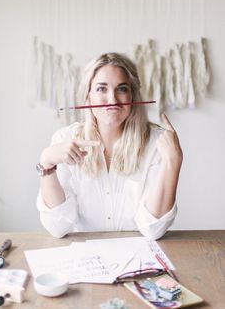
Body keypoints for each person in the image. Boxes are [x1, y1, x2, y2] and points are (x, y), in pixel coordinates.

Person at [36, 52, 183, 239]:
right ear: (87, 96)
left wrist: (173, 162)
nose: (112, 100)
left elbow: (152, 229)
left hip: (139, 259)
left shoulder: (157, 143)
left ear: (133, 96)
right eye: (101, 89)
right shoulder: (64, 139)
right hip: (85, 259)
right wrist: (47, 163)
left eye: (121, 89)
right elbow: (58, 228)